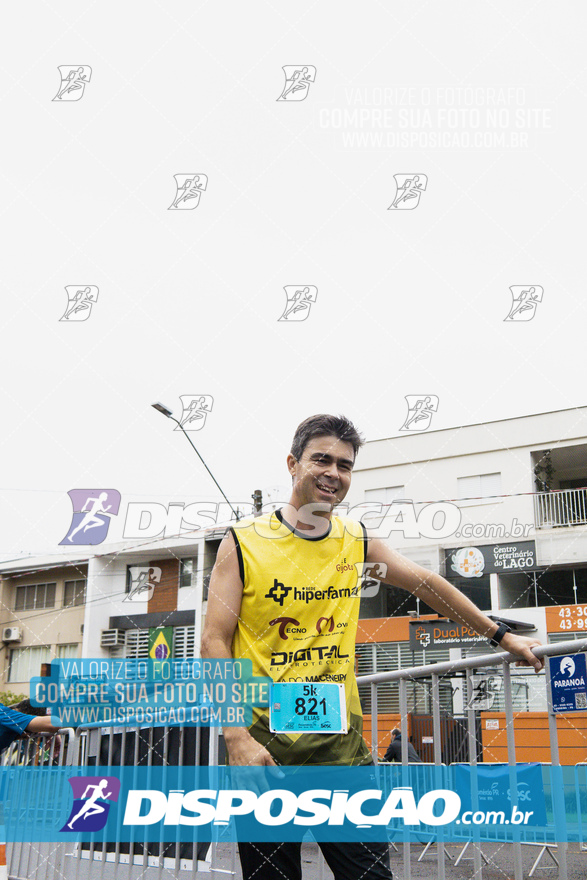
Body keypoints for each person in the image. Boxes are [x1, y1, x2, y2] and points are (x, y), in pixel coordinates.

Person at [201, 414, 543, 880]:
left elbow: (426, 583)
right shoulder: (242, 543)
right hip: (265, 760)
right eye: (321, 459)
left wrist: (500, 635)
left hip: (343, 759)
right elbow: (214, 640)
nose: (334, 473)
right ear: (292, 464)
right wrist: (235, 737)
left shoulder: (354, 540)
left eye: (345, 465)